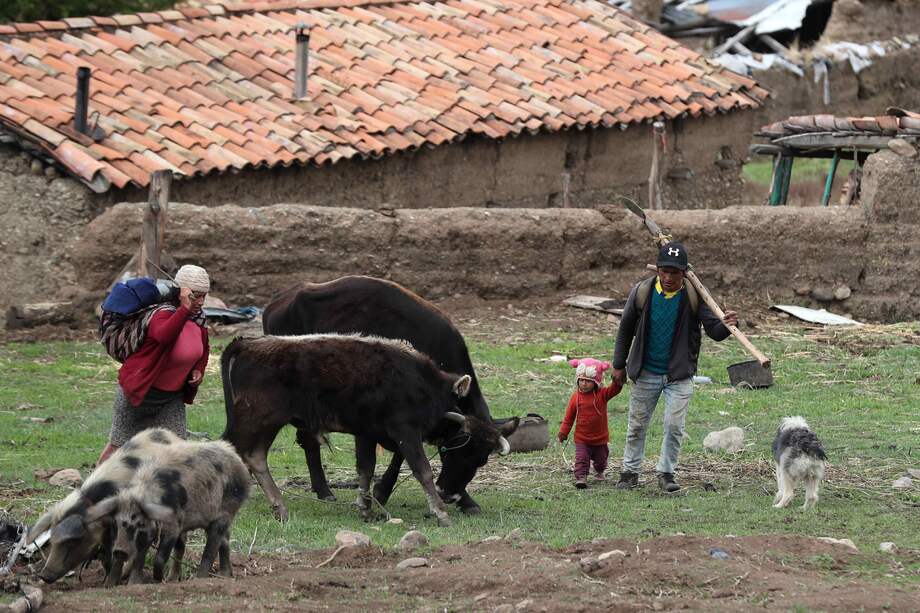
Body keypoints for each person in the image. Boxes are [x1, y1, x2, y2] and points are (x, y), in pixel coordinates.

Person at [612, 242, 738, 492]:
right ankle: (629, 472)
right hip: (645, 371)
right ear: (657, 270)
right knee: (637, 425)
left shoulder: (694, 296)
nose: (669, 278)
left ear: (685, 273)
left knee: (673, 426)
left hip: (679, 375)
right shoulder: (642, 292)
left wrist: (728, 324)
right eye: (664, 272)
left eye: (675, 273)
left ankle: (666, 473)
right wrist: (619, 364)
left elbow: (715, 331)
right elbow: (625, 328)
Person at [97, 264, 211, 464]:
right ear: (182, 292)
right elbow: (165, 336)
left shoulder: (198, 319)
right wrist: (184, 308)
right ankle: (92, 490)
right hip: (139, 395)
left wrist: (198, 368)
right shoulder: (161, 314)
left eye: (204, 296)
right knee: (119, 447)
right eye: (196, 296)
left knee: (177, 450)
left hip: (170, 399)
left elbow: (203, 347)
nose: (200, 302)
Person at [557, 358, 623, 489]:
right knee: (582, 459)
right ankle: (581, 477)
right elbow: (569, 418)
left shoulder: (602, 395)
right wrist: (563, 432)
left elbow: (614, 390)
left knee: (601, 459)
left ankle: (599, 471)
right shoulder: (576, 397)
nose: (584, 384)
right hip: (582, 438)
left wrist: (617, 381)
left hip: (600, 438)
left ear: (596, 382)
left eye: (588, 381)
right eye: (581, 380)